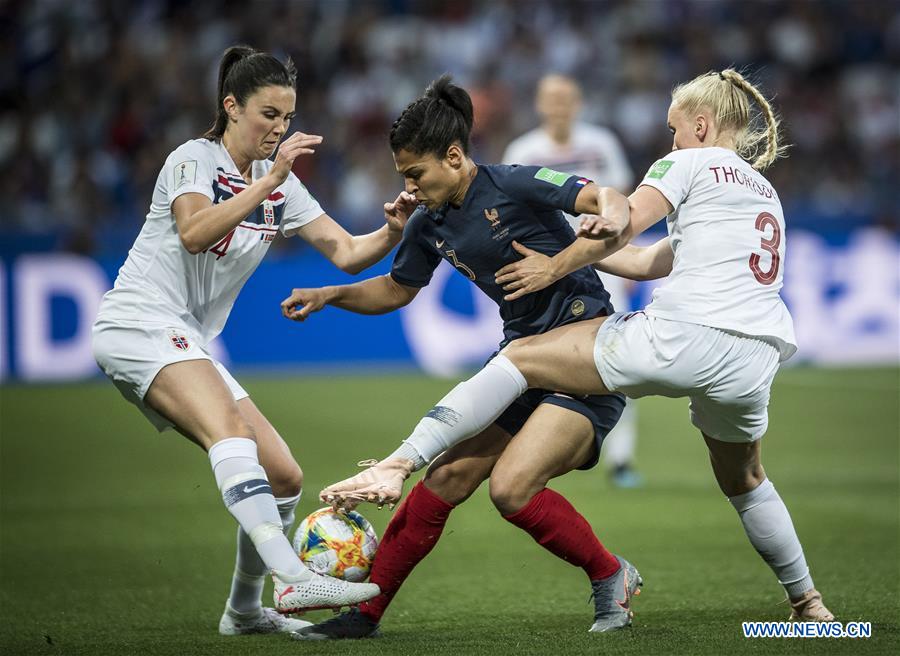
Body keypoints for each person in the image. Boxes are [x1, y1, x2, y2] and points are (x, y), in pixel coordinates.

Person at [322, 69, 834, 623]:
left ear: (702, 125)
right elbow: (643, 259)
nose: (671, 141)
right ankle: (809, 602)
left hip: (675, 337)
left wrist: (555, 264)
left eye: (674, 129)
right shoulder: (762, 193)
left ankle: (396, 464)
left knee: (516, 359)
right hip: (756, 356)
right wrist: (572, 244)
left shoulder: (685, 162)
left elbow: (620, 225)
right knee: (744, 480)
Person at [282, 75, 641, 640]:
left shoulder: (515, 183)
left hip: (584, 357)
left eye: (415, 173)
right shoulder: (428, 222)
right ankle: (365, 614)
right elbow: (397, 290)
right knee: (446, 476)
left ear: (453, 157)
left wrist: (604, 225)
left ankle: (610, 573)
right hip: (521, 361)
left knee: (510, 489)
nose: (408, 186)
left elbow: (603, 197)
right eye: (403, 174)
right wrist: (331, 296)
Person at [90, 45, 410, 636]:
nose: (278, 129)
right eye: (268, 114)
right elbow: (192, 232)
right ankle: (292, 577)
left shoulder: (278, 184)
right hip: (138, 322)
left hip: (186, 338)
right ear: (231, 107)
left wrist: (391, 228)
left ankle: (242, 611)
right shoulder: (194, 159)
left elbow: (347, 253)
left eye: (286, 118)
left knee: (284, 475)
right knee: (230, 434)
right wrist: (272, 183)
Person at [502, 73, 643, 488]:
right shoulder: (524, 150)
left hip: (603, 261)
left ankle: (621, 459)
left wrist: (630, 257)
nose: (559, 106)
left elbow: (626, 204)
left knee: (622, 359)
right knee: (539, 359)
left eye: (566, 98)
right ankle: (536, 447)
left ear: (577, 102)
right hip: (548, 265)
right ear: (540, 105)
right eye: (551, 99)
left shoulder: (601, 143)